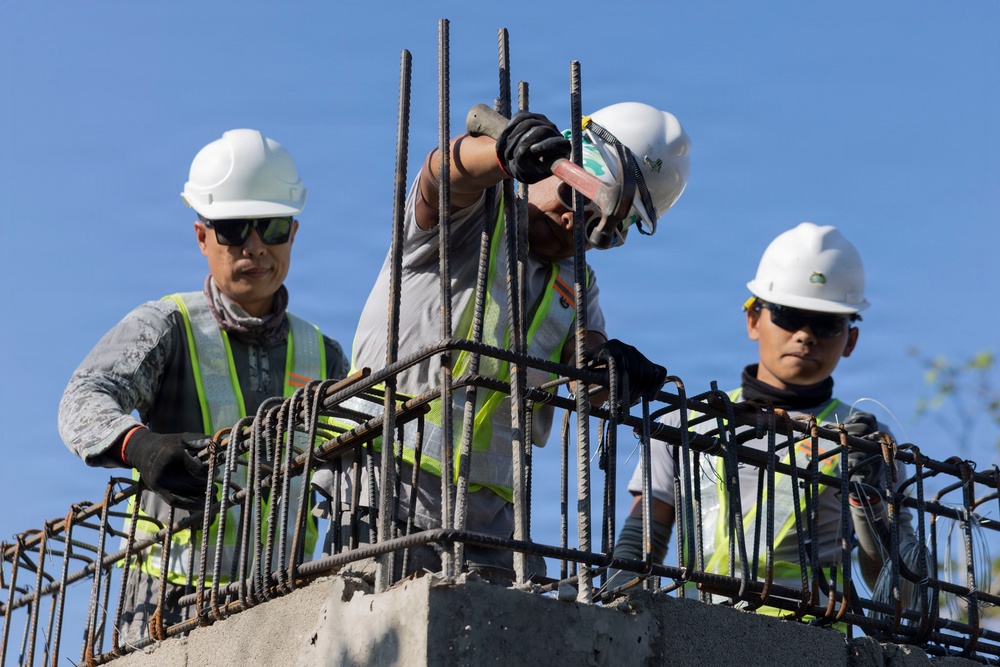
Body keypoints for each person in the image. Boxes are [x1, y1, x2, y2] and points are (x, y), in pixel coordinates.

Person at [344, 103, 691, 579]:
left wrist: (613, 367)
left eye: (600, 225)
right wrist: (501, 155)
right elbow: (440, 177)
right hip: (387, 495)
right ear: (557, 162)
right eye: (574, 196)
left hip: (490, 525)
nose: (576, 224)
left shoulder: (576, 283)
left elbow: (586, 369)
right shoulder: (474, 219)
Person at [57, 129, 348, 640]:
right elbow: (83, 399)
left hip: (282, 604)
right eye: (234, 228)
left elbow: (347, 475)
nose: (255, 247)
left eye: (272, 226)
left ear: (293, 234)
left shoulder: (324, 355)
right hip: (165, 608)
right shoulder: (165, 325)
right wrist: (138, 445)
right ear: (202, 236)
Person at [612, 222, 915, 612]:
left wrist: (869, 498)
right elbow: (640, 542)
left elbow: (899, 591)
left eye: (826, 323)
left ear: (850, 340)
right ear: (753, 320)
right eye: (788, 315)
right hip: (698, 633)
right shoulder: (687, 423)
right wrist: (614, 609)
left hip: (813, 642)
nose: (805, 335)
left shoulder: (865, 441)